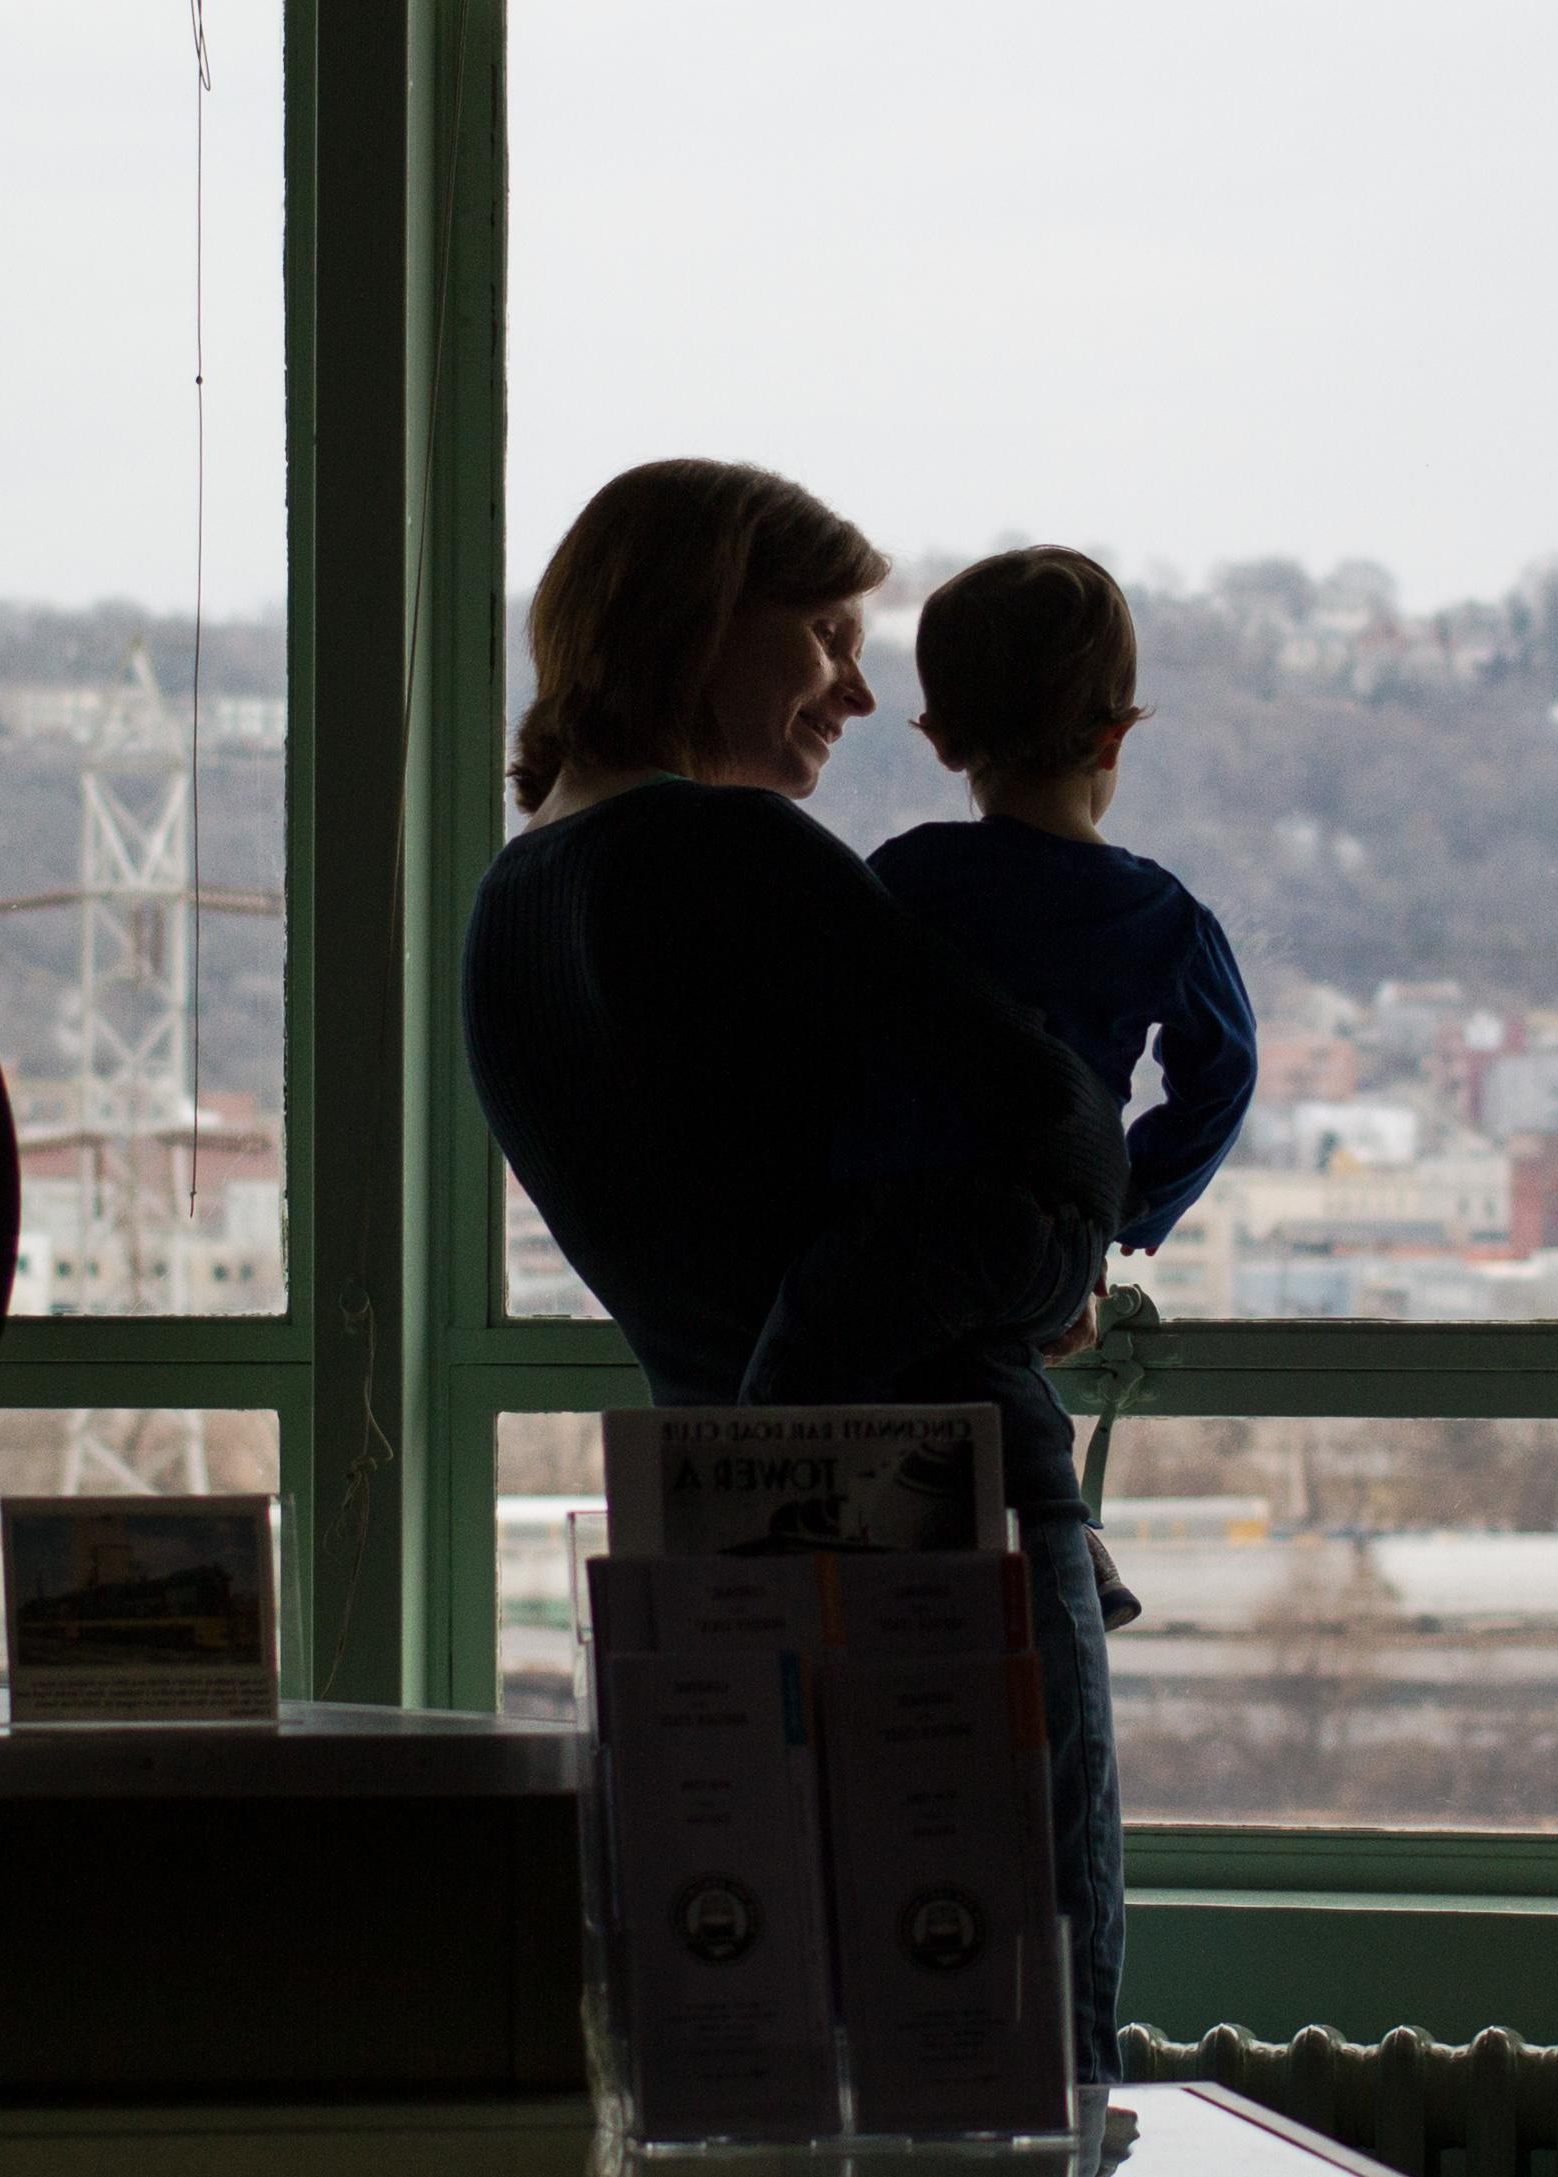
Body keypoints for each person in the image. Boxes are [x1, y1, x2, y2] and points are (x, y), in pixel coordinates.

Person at [461, 459, 1134, 2079]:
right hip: (944, 1523)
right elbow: (1049, 1110)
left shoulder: (518, 896)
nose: (852, 684)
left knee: (779, 2059)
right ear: (699, 622)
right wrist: (1049, 1257)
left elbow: (726, 1235)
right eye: (825, 632)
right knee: (1015, 2045)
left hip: (724, 1519)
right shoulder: (728, 855)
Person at [766, 546, 1258, 1631]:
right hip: (1048, 1237)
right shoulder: (1160, 914)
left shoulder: (906, 878)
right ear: (1113, 734)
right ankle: (1063, 1533)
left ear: (938, 739)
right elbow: (1220, 1077)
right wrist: (1124, 1212)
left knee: (793, 1374)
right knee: (978, 1357)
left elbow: (828, 1036)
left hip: (921, 1215)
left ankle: (774, 1571)